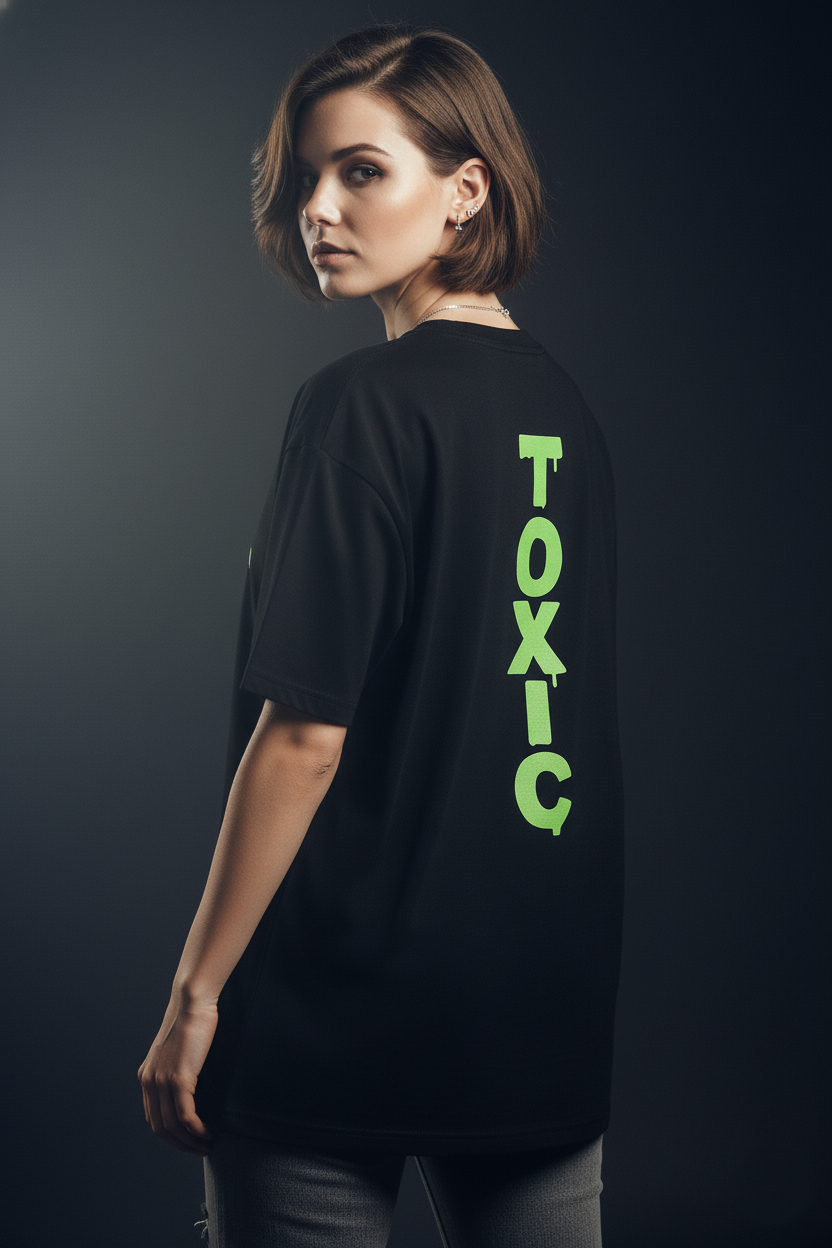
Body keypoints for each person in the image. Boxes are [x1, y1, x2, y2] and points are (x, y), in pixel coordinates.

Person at [138, 23, 624, 1248]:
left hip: (334, 1003)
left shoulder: (358, 408)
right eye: (306, 175)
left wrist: (196, 995)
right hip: (539, 999)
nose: (319, 207)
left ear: (465, 192)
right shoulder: (563, 410)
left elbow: (306, 736)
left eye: (361, 170)